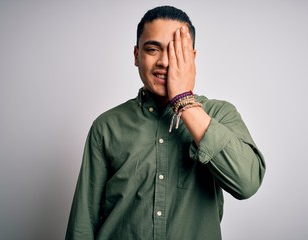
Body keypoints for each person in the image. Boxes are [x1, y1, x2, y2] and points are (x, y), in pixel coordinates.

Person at [65, 5, 266, 240]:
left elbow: (247, 183)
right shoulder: (106, 126)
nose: (164, 62)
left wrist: (184, 101)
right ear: (136, 55)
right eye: (152, 49)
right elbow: (83, 221)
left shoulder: (219, 114)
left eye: (176, 51)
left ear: (191, 58)